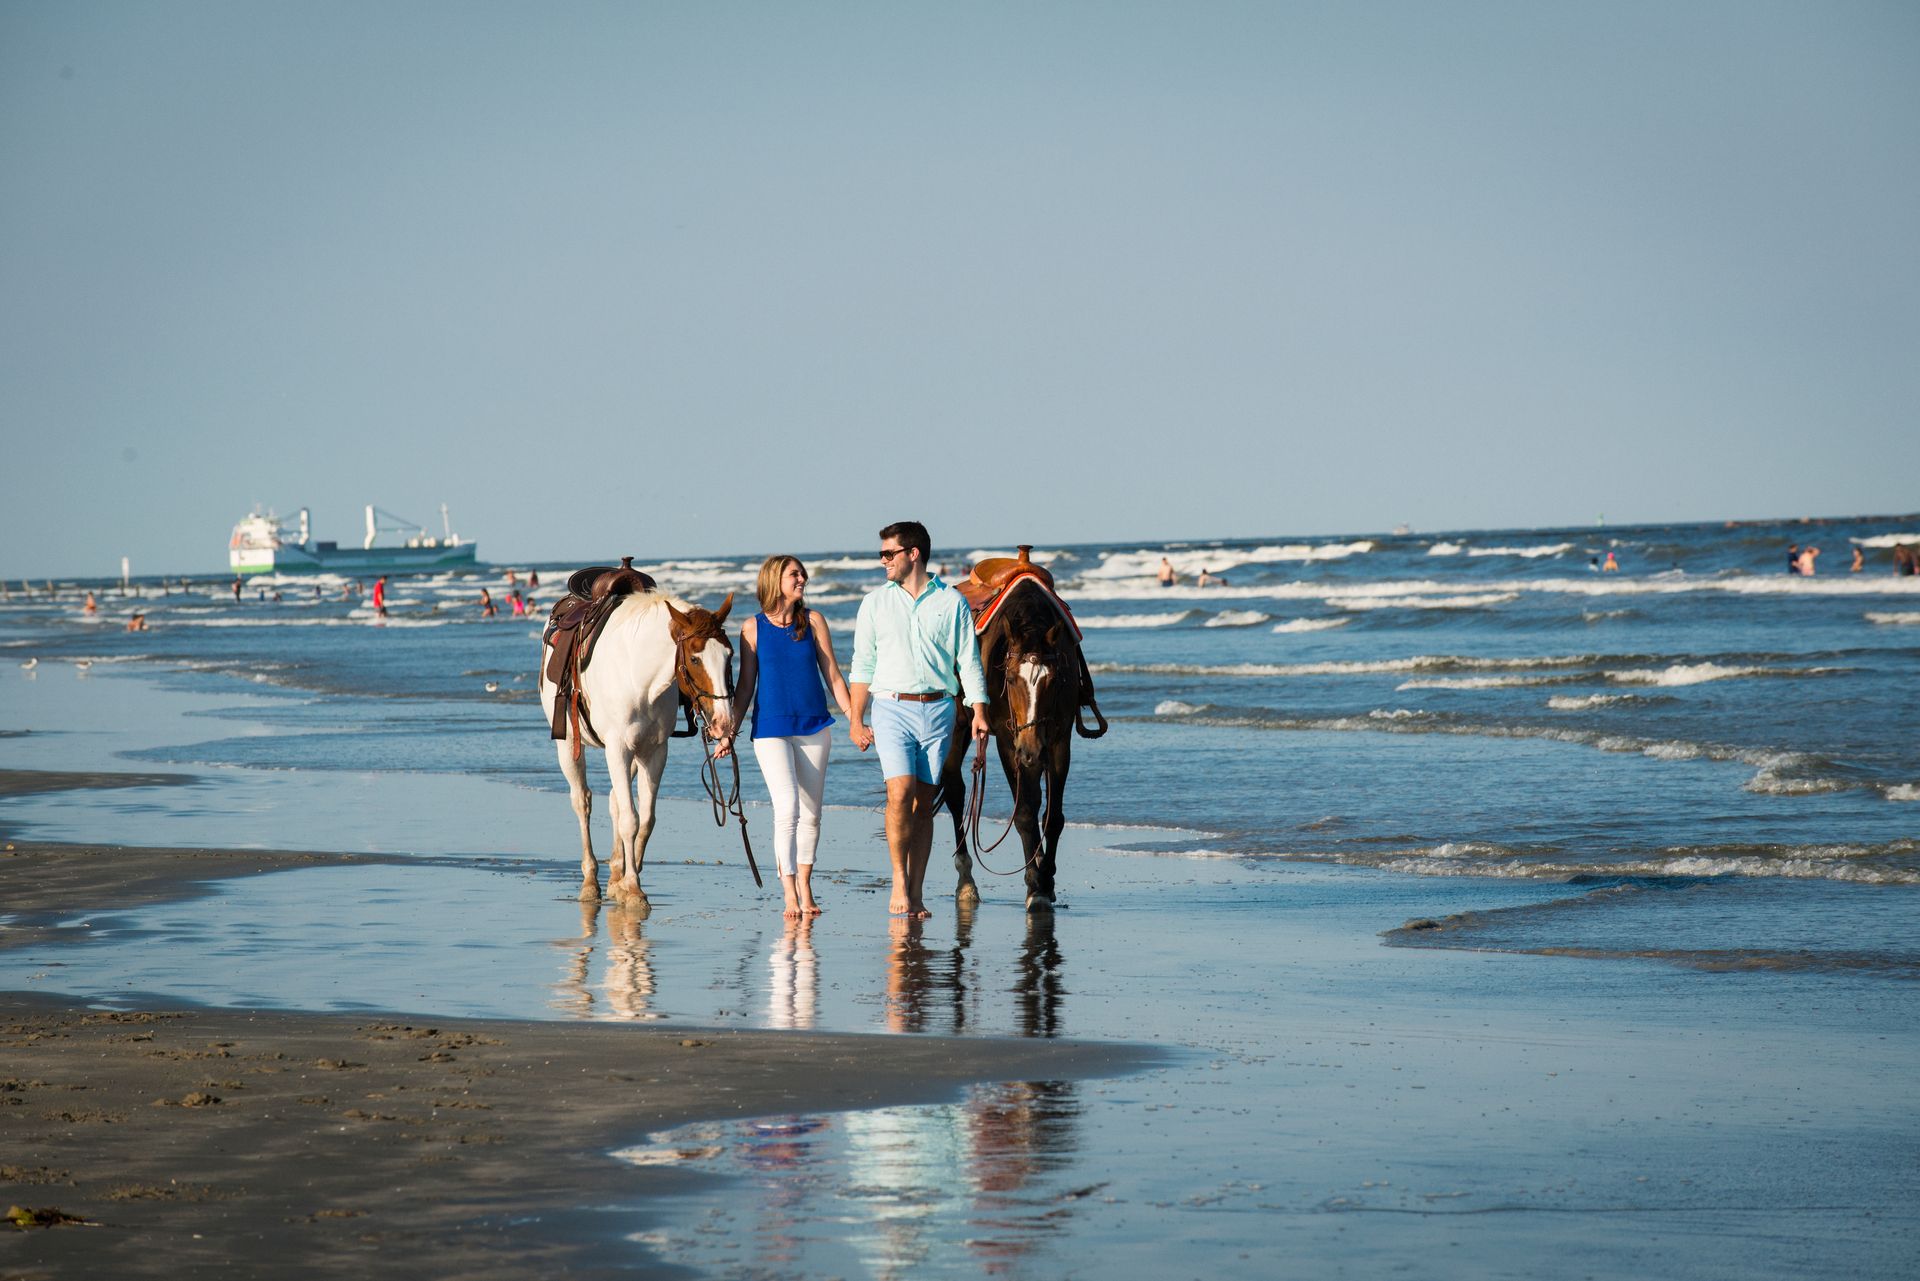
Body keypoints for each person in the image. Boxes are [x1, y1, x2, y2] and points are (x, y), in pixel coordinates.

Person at [848, 521, 990, 919]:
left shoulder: (952, 602)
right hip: (891, 706)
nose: (882, 561)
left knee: (924, 803)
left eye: (888, 554)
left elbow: (968, 661)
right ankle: (897, 879)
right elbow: (862, 665)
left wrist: (978, 710)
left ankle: (917, 889)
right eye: (881, 554)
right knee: (900, 793)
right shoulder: (874, 603)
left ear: (913, 554)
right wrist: (856, 719)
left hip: (939, 708)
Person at [722, 555, 855, 919]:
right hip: (770, 729)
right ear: (774, 580)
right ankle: (789, 892)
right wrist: (729, 733)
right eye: (794, 574)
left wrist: (855, 720)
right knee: (788, 809)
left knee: (812, 813)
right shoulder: (752, 627)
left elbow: (833, 675)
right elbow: (746, 687)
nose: (803, 578)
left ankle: (806, 885)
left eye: (803, 573)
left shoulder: (813, 621)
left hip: (814, 724)